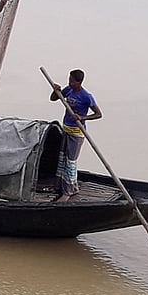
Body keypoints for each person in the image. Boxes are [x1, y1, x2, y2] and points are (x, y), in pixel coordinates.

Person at [49, 69, 102, 203]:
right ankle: (65, 186)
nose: (70, 83)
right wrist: (56, 91)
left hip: (77, 133)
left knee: (71, 162)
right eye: (69, 80)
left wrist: (82, 117)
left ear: (79, 82)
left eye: (72, 81)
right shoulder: (69, 90)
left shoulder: (86, 97)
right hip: (66, 129)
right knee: (63, 159)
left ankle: (68, 192)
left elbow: (98, 114)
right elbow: (53, 98)